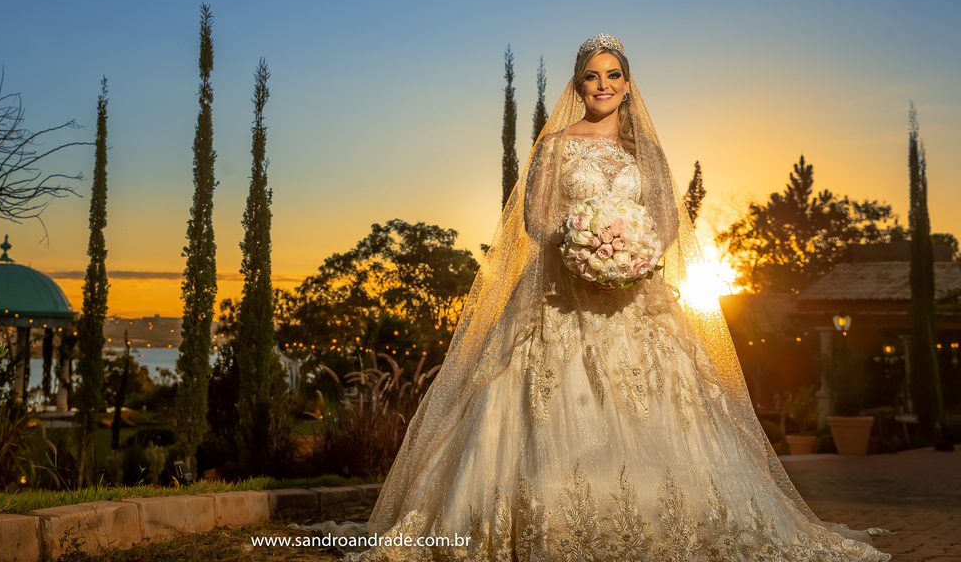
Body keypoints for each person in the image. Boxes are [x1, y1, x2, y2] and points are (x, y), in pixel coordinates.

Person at [349, 35, 888, 561]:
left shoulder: (646, 152)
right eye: (591, 75)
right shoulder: (556, 147)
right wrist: (582, 244)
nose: (602, 84)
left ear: (628, 85)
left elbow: (669, 221)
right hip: (562, 295)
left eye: (612, 75)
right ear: (578, 84)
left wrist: (632, 251)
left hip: (638, 301)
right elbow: (535, 219)